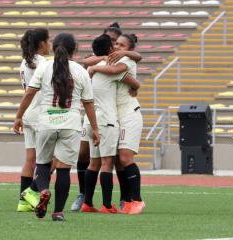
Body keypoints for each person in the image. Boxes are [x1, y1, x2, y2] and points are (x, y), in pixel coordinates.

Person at [13, 33, 100, 221]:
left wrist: (19, 117)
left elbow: (29, 93)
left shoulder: (44, 67)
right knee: (63, 169)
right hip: (71, 123)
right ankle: (58, 212)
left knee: (43, 164)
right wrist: (95, 129)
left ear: (54, 48)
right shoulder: (80, 71)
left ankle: (43, 190)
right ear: (74, 50)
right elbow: (89, 103)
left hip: (46, 122)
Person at [71, 22, 142, 211]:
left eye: (121, 45)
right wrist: (135, 85)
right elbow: (129, 79)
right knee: (103, 161)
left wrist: (94, 68)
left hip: (120, 115)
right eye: (115, 44)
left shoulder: (122, 61)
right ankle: (102, 202)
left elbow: (122, 71)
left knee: (117, 159)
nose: (117, 47)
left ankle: (127, 199)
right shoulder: (104, 63)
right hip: (106, 118)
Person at [17, 28, 50, 212]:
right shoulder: (42, 62)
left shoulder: (24, 62)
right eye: (48, 40)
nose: (50, 44)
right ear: (41, 43)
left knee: (30, 159)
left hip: (28, 113)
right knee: (49, 160)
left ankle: (23, 202)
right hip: (40, 114)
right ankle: (31, 192)